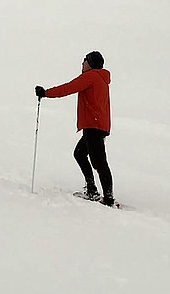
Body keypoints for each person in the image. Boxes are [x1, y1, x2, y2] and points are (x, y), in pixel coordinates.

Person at [36, 51, 114, 206]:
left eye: (84, 60)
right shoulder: (102, 78)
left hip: (93, 125)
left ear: (90, 63)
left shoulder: (91, 76)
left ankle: (108, 198)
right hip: (99, 124)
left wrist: (46, 93)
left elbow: (68, 88)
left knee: (99, 162)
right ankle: (92, 189)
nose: (82, 63)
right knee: (80, 154)